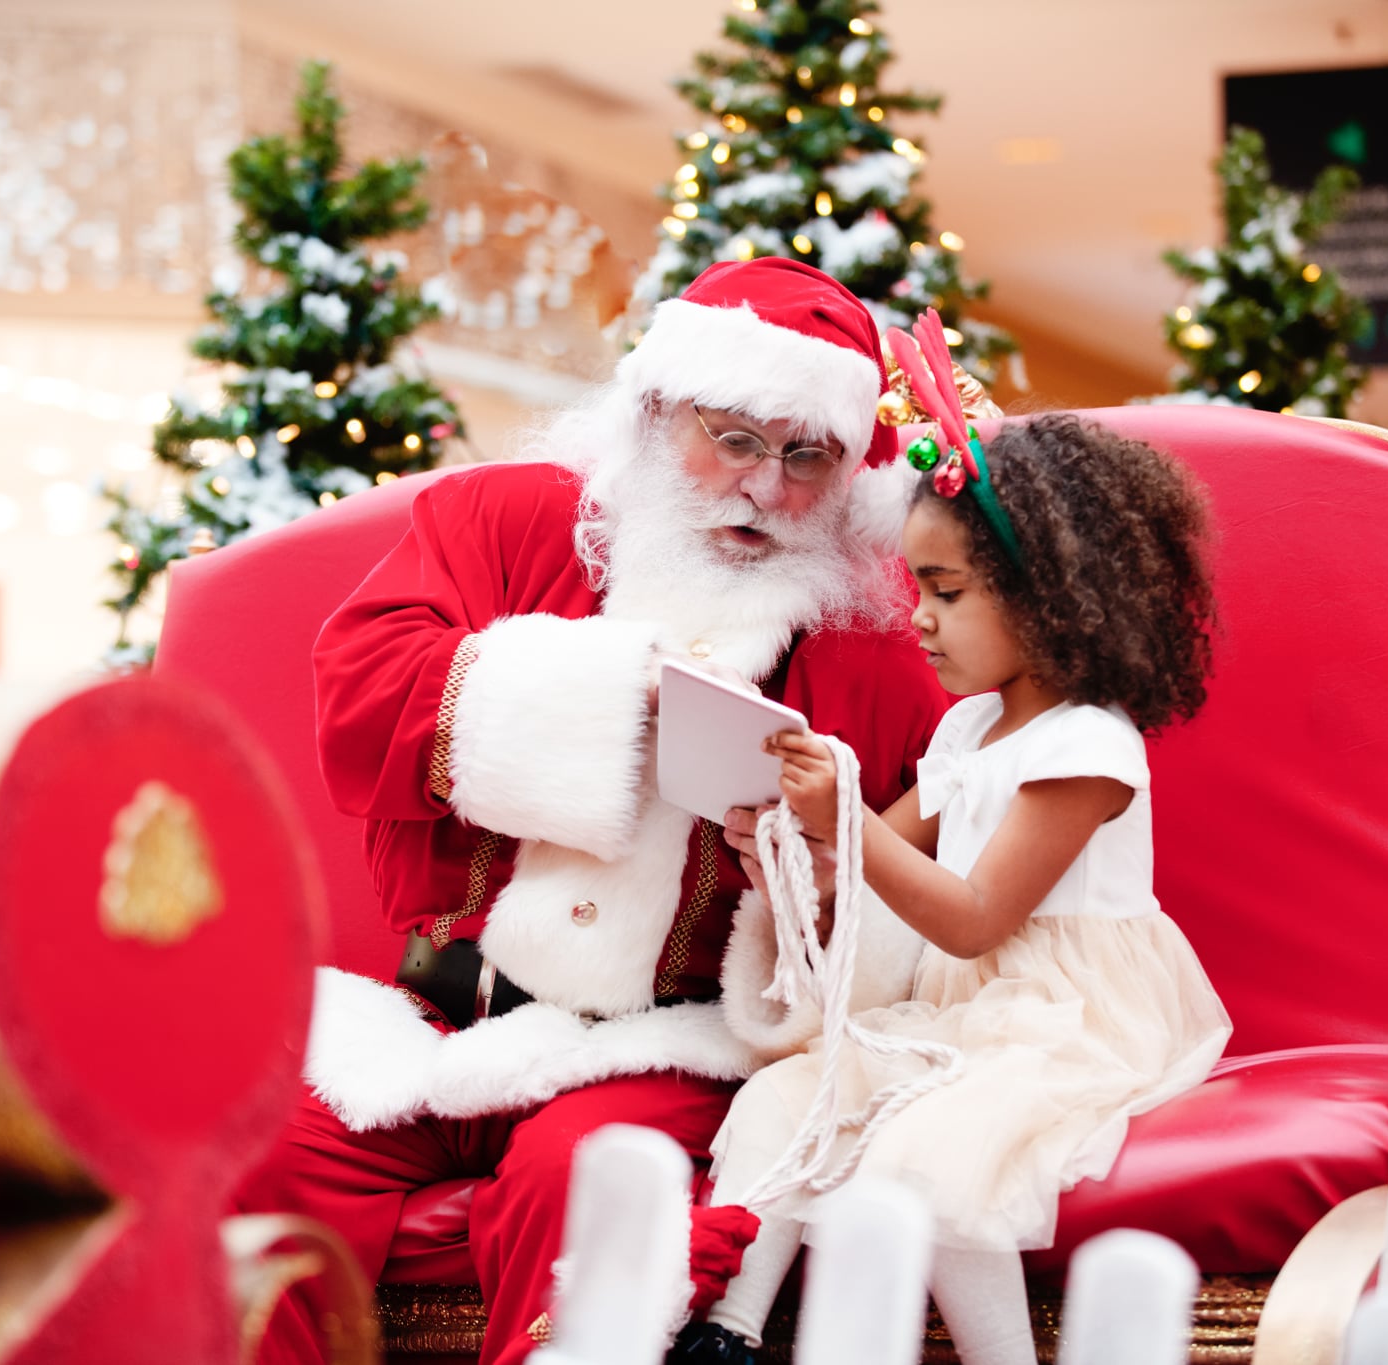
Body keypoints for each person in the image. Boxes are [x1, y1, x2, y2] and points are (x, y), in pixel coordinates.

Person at [232, 258, 953, 1365]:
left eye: (804, 454)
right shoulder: (503, 521)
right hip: (433, 1025)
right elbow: (361, 691)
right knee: (254, 1165)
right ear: (657, 413)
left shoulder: (878, 651)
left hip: (659, 1047)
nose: (762, 486)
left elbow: (913, 905)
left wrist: (799, 878)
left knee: (589, 1189)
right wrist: (609, 698)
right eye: (734, 437)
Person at [678, 401, 1234, 1365]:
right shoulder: (967, 730)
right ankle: (725, 1335)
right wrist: (789, 840)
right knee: (787, 1094)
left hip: (1067, 1015)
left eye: (946, 591)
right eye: (916, 587)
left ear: (1049, 596)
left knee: (932, 1159)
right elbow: (865, 866)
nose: (918, 619)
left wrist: (845, 818)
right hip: (963, 1013)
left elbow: (976, 919)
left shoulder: (1089, 746)